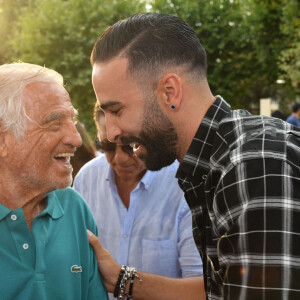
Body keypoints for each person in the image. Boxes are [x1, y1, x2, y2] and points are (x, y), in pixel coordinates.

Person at [88, 13, 300, 300]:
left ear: (170, 92)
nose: (111, 133)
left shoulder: (253, 165)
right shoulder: (217, 164)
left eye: (116, 110)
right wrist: (119, 279)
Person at [73, 104, 204, 300]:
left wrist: (122, 280)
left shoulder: (184, 185)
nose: (120, 159)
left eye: (131, 146)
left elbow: (200, 290)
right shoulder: (87, 178)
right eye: (107, 146)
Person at [0, 62, 108, 299]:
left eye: (72, 120)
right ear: (2, 140)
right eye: (54, 123)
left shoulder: (74, 207)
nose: (77, 139)